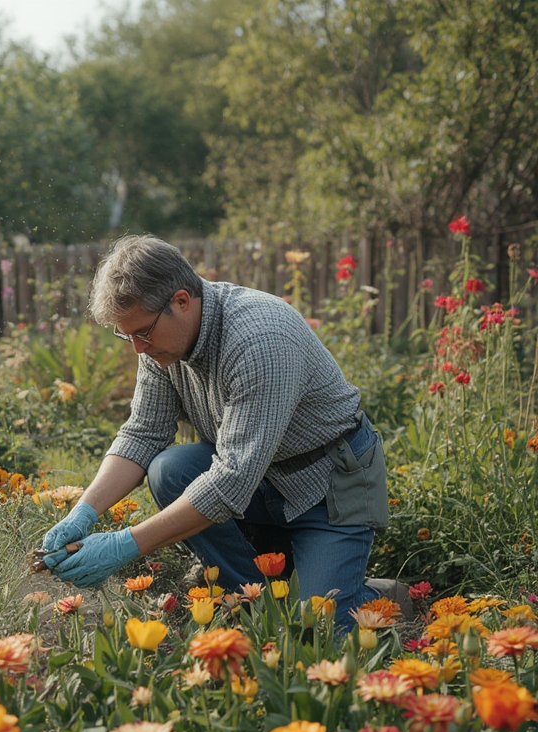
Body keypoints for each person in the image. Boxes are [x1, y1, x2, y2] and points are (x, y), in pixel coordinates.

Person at [42, 235, 404, 632]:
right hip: (262, 483)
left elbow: (230, 481)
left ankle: (381, 595)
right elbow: (144, 434)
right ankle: (251, 594)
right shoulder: (162, 345)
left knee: (318, 627)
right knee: (169, 469)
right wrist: (85, 511)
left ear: (181, 301)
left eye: (142, 333)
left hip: (327, 487)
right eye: (127, 336)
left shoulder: (260, 340)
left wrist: (124, 545)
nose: (137, 350)